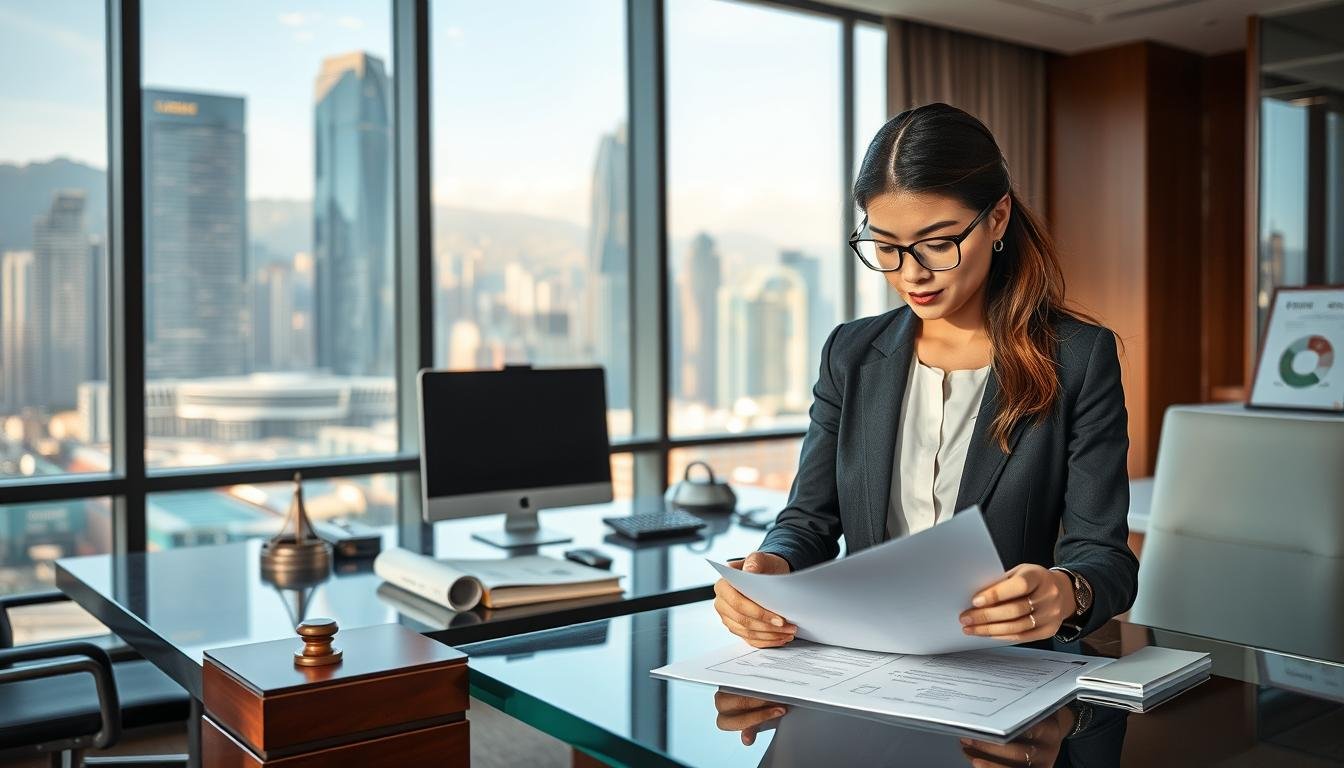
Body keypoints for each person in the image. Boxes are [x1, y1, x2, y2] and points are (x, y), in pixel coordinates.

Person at [714, 102, 1138, 648]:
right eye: (887, 248)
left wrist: (1065, 591)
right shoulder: (851, 353)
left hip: (1007, 679)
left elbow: (1105, 557)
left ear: (998, 219)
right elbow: (809, 521)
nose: (912, 273)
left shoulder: (1076, 357)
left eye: (938, 244)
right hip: (867, 662)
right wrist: (771, 566)